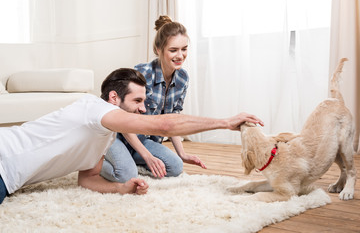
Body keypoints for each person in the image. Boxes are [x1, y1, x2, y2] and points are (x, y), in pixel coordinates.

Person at [0, 68, 264, 205]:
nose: (143, 107)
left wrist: (121, 188)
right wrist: (224, 122)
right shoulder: (95, 109)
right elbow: (164, 126)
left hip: (10, 179)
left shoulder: (105, 135)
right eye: (137, 100)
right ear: (114, 98)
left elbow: (88, 177)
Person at [101, 15, 204, 183]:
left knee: (176, 167)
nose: (180, 55)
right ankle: (94, 161)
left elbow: (173, 119)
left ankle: (130, 159)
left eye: (184, 49)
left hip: (144, 139)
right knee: (125, 176)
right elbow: (123, 120)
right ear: (158, 49)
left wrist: (182, 154)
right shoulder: (142, 73)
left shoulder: (183, 79)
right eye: (173, 50)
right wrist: (147, 156)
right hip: (118, 134)